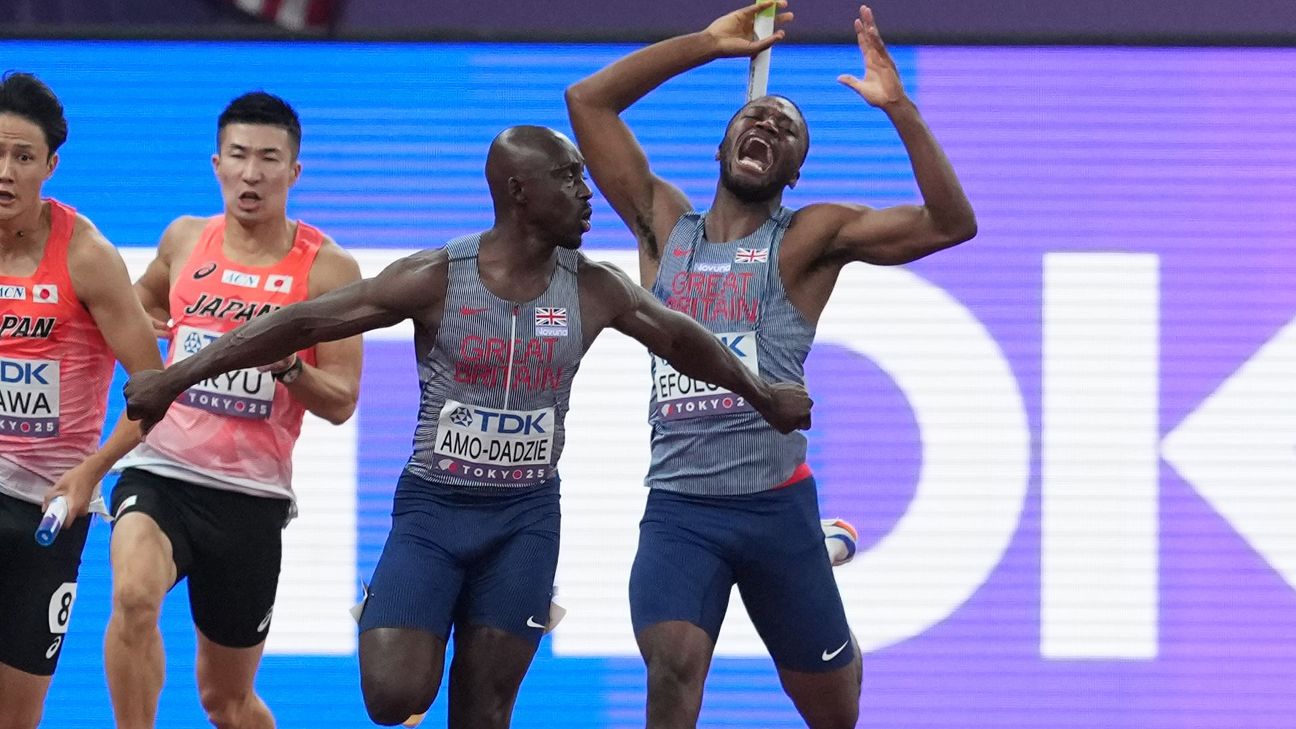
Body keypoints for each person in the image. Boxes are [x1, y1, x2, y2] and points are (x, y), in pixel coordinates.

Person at [122, 124, 813, 729]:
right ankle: (401, 603)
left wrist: (763, 393)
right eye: (568, 178)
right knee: (394, 695)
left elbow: (685, 340)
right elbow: (302, 320)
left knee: (483, 711)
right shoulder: (437, 278)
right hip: (433, 510)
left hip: (525, 520)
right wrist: (173, 378)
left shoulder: (595, 287)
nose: (587, 193)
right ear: (518, 192)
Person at [565, 3, 978, 727]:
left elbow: (951, 222)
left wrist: (900, 108)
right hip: (682, 509)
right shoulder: (662, 225)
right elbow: (587, 101)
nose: (768, 128)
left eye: (786, 130)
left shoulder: (807, 238)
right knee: (673, 670)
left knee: (833, 711)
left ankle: (818, 565)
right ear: (722, 144)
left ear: (794, 170)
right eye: (756, 119)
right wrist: (706, 45)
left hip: (775, 509)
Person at [103, 91, 364, 729]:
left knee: (226, 703)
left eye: (269, 159)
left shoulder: (329, 270)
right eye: (239, 156)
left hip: (250, 499)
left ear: (293, 172)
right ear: (217, 164)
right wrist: (149, 325)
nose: (252, 173)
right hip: (160, 472)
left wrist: (289, 366)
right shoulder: (185, 238)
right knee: (134, 596)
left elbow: (343, 401)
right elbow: (130, 305)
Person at [0, 71, 164, 729]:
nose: (5, 171)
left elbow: (152, 389)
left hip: (48, 512)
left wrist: (91, 471)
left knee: (17, 713)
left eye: (23, 157)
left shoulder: (86, 255)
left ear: (50, 165)